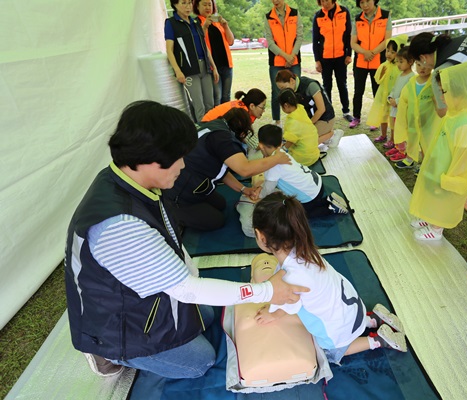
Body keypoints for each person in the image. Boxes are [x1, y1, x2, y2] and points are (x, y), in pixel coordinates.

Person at [64, 101, 309, 379]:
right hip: (119, 323)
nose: (183, 164)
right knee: (199, 362)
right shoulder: (120, 227)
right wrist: (266, 291)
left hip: (145, 293)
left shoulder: (130, 180)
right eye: (178, 157)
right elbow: (186, 289)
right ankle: (107, 352)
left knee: (207, 315)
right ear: (150, 159)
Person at [252, 192, 407, 364]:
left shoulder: (291, 277)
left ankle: (378, 340)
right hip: (353, 310)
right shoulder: (305, 249)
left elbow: (287, 305)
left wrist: (271, 314)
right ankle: (372, 320)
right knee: (337, 313)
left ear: (260, 236)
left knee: (332, 352)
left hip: (338, 327)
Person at [165, 108, 290, 231]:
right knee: (217, 220)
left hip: (193, 179)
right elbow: (245, 169)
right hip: (178, 191)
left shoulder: (215, 126)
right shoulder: (223, 138)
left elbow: (222, 171)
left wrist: (243, 189)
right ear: (242, 133)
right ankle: (171, 212)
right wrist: (276, 159)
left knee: (221, 204)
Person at [409, 56, 467, 241]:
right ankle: (430, 217)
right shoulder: (453, 114)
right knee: (433, 193)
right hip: (440, 165)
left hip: (449, 172)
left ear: (459, 93)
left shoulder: (465, 123)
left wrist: (450, 179)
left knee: (443, 197)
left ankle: (436, 229)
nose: (442, 96)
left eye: (444, 91)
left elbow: (466, 157)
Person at [237, 125, 349, 237]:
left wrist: (257, 194)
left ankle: (330, 208)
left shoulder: (273, 167)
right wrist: (260, 187)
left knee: (299, 216)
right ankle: (328, 200)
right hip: (316, 184)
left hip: (311, 196)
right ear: (280, 143)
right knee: (302, 202)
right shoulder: (281, 153)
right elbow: (268, 181)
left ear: (261, 146)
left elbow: (267, 190)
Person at [165, 0, 219, 122]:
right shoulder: (171, 23)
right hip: (189, 70)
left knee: (210, 104)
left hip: (205, 67)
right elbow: (169, 50)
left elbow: (204, 46)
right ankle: (202, 131)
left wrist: (214, 67)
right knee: (199, 106)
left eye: (189, 3)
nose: (188, 6)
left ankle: (212, 129)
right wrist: (177, 71)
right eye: (184, 3)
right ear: (175, 5)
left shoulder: (196, 22)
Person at [348, 0, 391, 129]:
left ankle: (376, 120)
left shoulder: (385, 15)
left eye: (368, 1)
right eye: (362, 2)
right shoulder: (357, 18)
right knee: (358, 91)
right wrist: (364, 52)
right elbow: (353, 42)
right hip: (360, 61)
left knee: (377, 92)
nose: (365, 5)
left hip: (378, 61)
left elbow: (387, 40)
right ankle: (356, 117)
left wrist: (372, 53)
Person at [275, 70, 343, 146]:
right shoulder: (293, 89)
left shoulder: (310, 86)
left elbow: (321, 109)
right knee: (298, 140)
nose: (283, 91)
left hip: (325, 118)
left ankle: (332, 134)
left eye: (283, 87)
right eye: (280, 89)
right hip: (310, 118)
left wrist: (307, 125)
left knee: (305, 142)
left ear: (292, 80)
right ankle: (326, 138)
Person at [393, 58, 440, 170]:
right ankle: (410, 159)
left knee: (426, 142)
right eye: (419, 65)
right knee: (412, 139)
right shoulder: (412, 82)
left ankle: (425, 165)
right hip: (413, 118)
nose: (422, 68)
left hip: (428, 121)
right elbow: (404, 98)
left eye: (426, 65)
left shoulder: (434, 83)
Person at [312, 0, 353, 121]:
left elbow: (349, 35)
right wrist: (317, 60)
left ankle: (346, 111)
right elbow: (315, 40)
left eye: (327, 0)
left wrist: (349, 54)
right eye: (322, 1)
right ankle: (328, 112)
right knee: (326, 86)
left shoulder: (344, 12)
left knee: (342, 84)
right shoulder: (318, 16)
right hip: (325, 58)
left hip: (341, 57)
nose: (324, 3)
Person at [265, 0, 303, 125]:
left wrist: (292, 56)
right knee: (276, 92)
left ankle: (298, 119)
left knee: (296, 89)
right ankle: (277, 122)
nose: (275, 1)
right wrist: (285, 56)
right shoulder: (268, 16)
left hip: (294, 60)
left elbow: (299, 37)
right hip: (276, 62)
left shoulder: (295, 13)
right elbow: (270, 42)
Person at [366, 36, 406, 144]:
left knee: (393, 118)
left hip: (393, 97)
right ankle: (383, 135)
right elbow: (377, 80)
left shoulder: (399, 67)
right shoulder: (384, 65)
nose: (388, 54)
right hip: (383, 95)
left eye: (393, 52)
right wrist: (382, 72)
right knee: (383, 116)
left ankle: (393, 139)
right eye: (387, 51)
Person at [194, 0, 235, 105]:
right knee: (217, 96)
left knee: (226, 96)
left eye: (210, 5)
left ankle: (227, 115)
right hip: (212, 66)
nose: (208, 7)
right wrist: (204, 27)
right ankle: (217, 115)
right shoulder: (196, 23)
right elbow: (199, 43)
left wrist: (225, 26)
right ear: (197, 6)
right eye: (204, 4)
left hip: (226, 64)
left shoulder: (217, 21)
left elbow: (231, 41)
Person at [384, 45, 415, 160]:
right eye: (397, 61)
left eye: (401, 62)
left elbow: (408, 94)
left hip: (402, 109)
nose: (398, 64)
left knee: (401, 130)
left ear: (411, 62)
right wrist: (390, 97)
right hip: (394, 108)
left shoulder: (412, 77)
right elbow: (394, 89)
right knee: (396, 129)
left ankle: (402, 151)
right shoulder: (400, 75)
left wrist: (397, 101)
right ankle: (397, 147)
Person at [279, 88, 321, 166]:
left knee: (280, 161)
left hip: (304, 158)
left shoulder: (293, 121)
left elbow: (290, 141)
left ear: (286, 105)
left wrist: (282, 150)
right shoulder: (300, 109)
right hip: (314, 154)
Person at [202, 88, 267, 124]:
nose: (264, 110)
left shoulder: (243, 107)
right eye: (262, 107)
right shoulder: (241, 115)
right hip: (208, 128)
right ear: (252, 106)